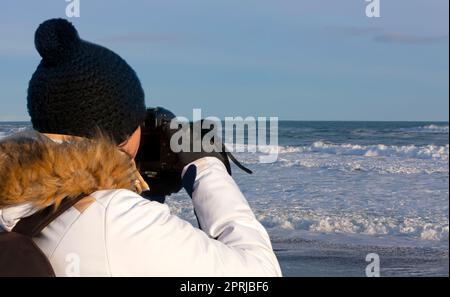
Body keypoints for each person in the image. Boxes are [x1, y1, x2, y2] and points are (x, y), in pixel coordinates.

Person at [0, 18, 282, 276]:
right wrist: (206, 165)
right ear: (124, 136)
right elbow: (260, 276)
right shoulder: (115, 220)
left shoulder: (16, 201)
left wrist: (130, 190)